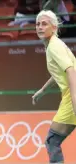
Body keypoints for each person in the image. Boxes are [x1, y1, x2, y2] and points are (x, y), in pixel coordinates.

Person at [32, 10, 76, 163]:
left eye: (44, 24)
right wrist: (43, 90)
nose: (40, 27)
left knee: (52, 140)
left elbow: (71, 71)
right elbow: (59, 73)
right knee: (53, 140)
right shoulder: (52, 45)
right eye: (38, 24)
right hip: (69, 95)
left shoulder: (54, 47)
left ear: (54, 27)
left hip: (72, 96)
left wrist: (74, 100)